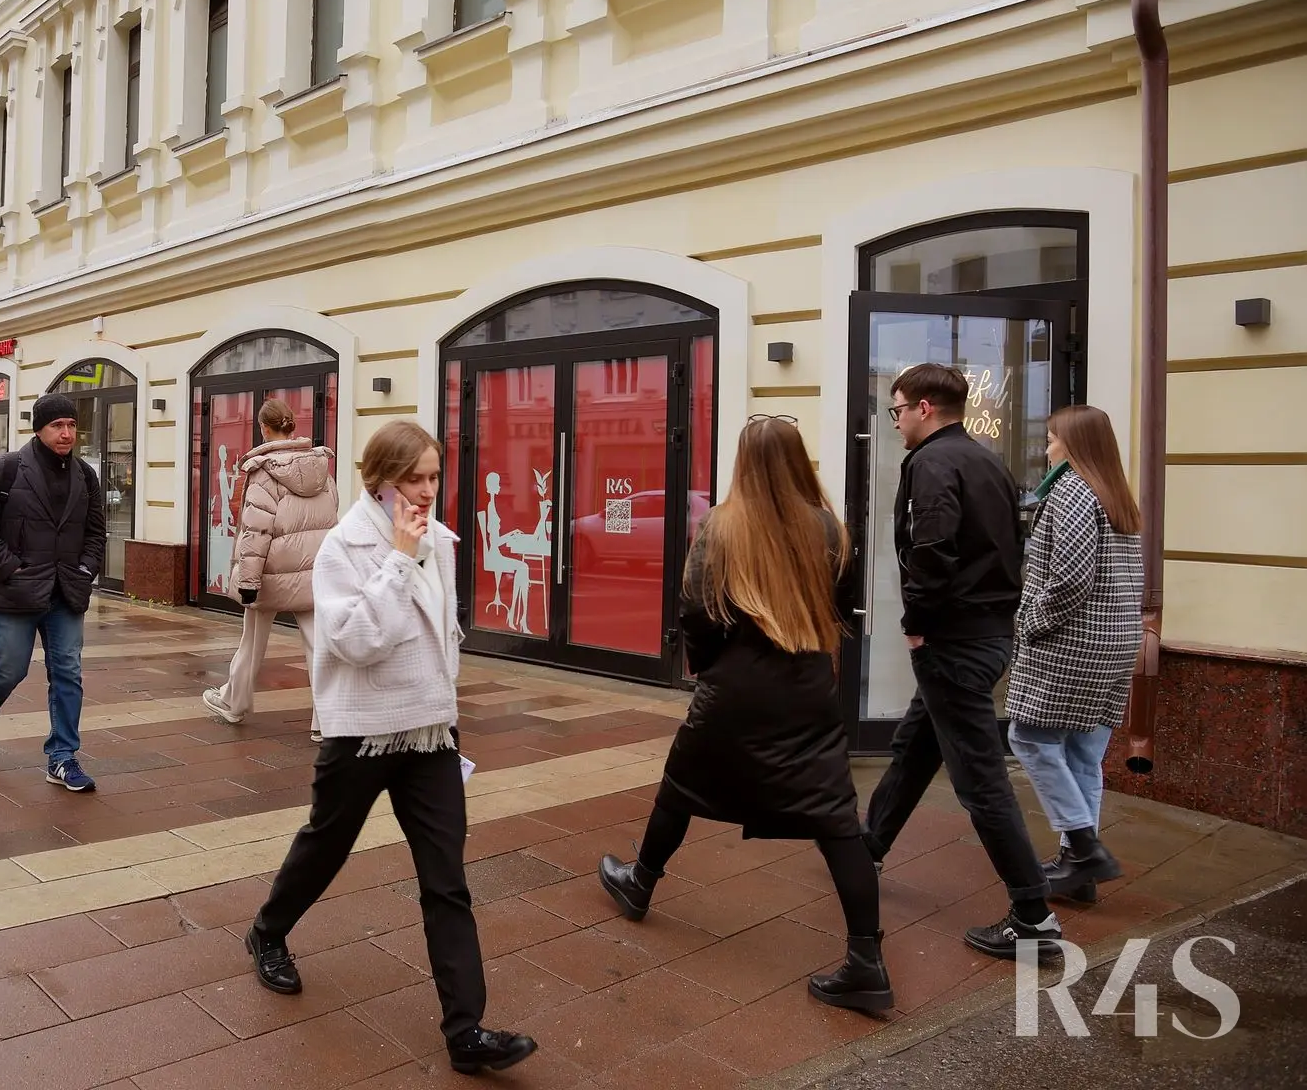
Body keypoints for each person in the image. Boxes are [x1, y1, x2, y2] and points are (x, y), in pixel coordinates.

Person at [243, 421, 537, 1076]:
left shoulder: (440, 540)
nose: (428, 490)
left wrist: (447, 705)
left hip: (430, 731)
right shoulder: (343, 548)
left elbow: (445, 630)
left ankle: (467, 1032)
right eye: (416, 478)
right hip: (362, 732)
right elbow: (353, 641)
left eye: (435, 476)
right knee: (327, 845)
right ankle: (267, 930)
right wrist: (401, 560)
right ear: (381, 478)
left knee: (447, 879)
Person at [598, 416, 892, 1012]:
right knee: (835, 817)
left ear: (744, 463)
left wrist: (711, 666)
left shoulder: (723, 525)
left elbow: (695, 610)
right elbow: (843, 602)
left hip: (734, 686)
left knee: (681, 786)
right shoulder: (829, 528)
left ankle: (641, 882)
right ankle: (867, 960)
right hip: (808, 684)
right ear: (797, 460)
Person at [862, 363, 1060, 960]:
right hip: (987, 632)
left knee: (980, 780)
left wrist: (918, 624)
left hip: (954, 639)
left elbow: (933, 548)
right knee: (917, 746)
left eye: (896, 411)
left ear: (924, 407)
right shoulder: (986, 460)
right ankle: (866, 847)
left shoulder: (932, 463)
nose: (894, 422)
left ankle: (1033, 915)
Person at [1007, 405, 1143, 903]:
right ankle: (1078, 869)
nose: (1047, 448)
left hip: (1072, 641)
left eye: (1052, 439)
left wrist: (1027, 622)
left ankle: (1083, 848)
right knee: (1085, 755)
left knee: (1030, 737)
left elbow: (1069, 580)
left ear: (1075, 444)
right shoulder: (1115, 494)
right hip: (1115, 642)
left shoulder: (1071, 492)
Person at [0, 393, 107, 792]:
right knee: (9, 669)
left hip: (66, 592)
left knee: (68, 672)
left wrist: (85, 568)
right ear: (39, 429)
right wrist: (12, 568)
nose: (66, 433)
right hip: (15, 592)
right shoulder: (7, 469)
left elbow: (96, 532)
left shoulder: (84, 475)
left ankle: (62, 757)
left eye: (72, 425)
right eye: (58, 425)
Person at [203, 398, 336, 739]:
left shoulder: (264, 471)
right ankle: (326, 722)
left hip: (270, 575)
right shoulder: (322, 469)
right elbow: (332, 522)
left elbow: (256, 531)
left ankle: (234, 703)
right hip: (313, 574)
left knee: (252, 640)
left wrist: (248, 580)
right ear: (291, 425)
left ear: (264, 428)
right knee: (318, 644)